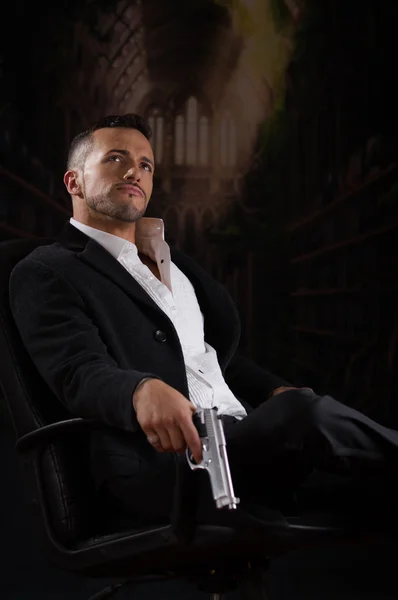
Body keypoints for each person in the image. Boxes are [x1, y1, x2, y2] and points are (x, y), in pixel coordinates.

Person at [9, 114, 398, 528]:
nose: (134, 171)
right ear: (74, 182)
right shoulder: (47, 271)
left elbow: (207, 356)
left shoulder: (178, 267)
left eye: (145, 165)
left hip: (244, 439)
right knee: (305, 416)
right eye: (116, 158)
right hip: (164, 464)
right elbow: (78, 371)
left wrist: (272, 389)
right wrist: (139, 390)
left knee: (373, 492)